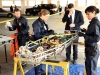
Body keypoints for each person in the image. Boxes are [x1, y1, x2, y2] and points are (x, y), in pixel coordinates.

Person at [32, 9, 55, 75]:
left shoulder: (42, 22)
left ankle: (41, 71)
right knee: (37, 60)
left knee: (42, 58)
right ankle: (38, 73)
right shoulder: (36, 23)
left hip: (43, 43)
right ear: (42, 15)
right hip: (38, 44)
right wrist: (47, 34)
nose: (48, 18)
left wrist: (49, 31)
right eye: (47, 16)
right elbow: (37, 36)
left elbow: (44, 31)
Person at [78, 6, 100, 75]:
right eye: (86, 14)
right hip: (90, 49)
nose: (87, 16)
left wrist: (84, 35)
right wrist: (85, 31)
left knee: (91, 71)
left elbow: (96, 38)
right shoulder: (93, 22)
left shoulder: (95, 23)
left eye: (88, 14)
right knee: (89, 69)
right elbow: (92, 33)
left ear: (94, 13)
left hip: (92, 50)